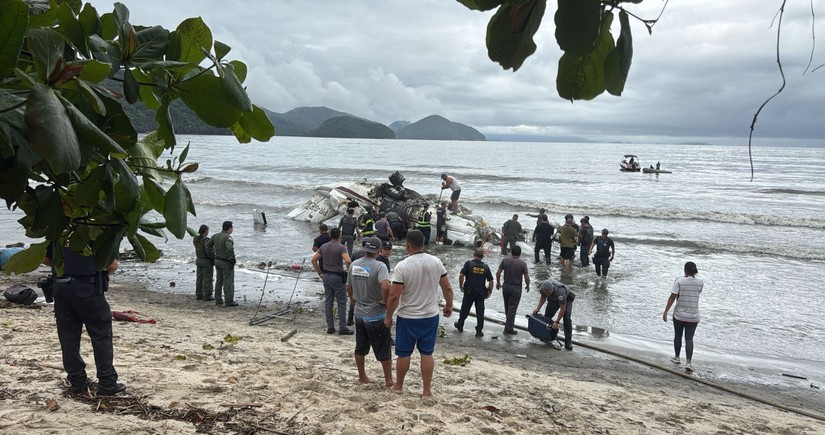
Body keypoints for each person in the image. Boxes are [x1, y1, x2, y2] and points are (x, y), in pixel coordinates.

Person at [44, 244, 125, 396]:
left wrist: (66, 265)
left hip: (60, 287)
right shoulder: (96, 231)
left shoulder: (59, 231)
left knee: (68, 337)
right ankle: (107, 382)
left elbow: (45, 258)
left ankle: (77, 381)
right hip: (87, 287)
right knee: (101, 335)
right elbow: (111, 266)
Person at [384, 230, 454, 397]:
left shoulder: (403, 266)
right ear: (423, 243)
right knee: (427, 353)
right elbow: (447, 287)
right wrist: (449, 305)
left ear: (407, 245)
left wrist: (388, 316)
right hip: (430, 316)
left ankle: (399, 385)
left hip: (408, 316)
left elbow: (394, 296)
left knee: (403, 353)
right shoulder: (436, 262)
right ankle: (426, 391)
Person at [346, 236, 394, 387]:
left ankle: (362, 376)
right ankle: (388, 380)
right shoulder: (380, 266)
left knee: (360, 347)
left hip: (359, 312)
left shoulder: (354, 264)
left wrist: (354, 302)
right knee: (383, 349)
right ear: (379, 250)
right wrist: (384, 302)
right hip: (375, 314)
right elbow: (386, 286)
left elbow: (349, 287)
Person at [663, 261, 704, 372]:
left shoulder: (679, 281)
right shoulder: (700, 282)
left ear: (685, 270)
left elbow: (672, 296)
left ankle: (677, 357)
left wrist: (666, 311)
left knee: (678, 335)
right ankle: (689, 362)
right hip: (694, 316)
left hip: (679, 314)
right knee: (689, 339)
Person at [313, 227, 353, 335]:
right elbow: (348, 260)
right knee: (341, 302)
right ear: (339, 236)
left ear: (331, 236)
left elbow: (314, 259)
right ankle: (342, 327)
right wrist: (348, 272)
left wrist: (319, 273)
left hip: (326, 275)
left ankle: (330, 326)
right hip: (338, 276)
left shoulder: (324, 246)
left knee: (328, 301)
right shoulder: (342, 247)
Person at [454, 248, 494, 337]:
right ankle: (479, 331)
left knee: (465, 309)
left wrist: (460, 286)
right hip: (480, 293)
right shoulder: (486, 267)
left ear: (474, 254)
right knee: (480, 311)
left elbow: (461, 275)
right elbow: (491, 280)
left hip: (469, 291)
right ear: (482, 257)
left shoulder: (469, 264)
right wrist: (490, 291)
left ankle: (460, 325)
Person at [496, 245, 530, 335]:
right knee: (512, 309)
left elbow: (498, 272)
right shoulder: (522, 264)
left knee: (507, 307)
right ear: (520, 253)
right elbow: (526, 277)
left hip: (506, 286)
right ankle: (508, 328)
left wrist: (498, 283)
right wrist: (528, 285)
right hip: (516, 288)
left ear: (511, 252)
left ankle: (508, 325)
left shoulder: (505, 261)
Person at [533, 279, 575, 350]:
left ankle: (568, 343)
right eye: (546, 293)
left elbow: (562, 309)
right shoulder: (543, 289)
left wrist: (557, 321)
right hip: (553, 299)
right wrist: (537, 308)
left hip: (566, 299)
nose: (547, 295)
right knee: (547, 317)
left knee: (567, 319)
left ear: (552, 289)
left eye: (548, 293)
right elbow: (543, 298)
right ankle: (546, 337)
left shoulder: (560, 292)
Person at [212, 221, 237, 307]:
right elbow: (229, 248)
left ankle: (218, 300)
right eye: (232, 227)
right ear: (229, 228)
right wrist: (232, 258)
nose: (232, 229)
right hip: (225, 261)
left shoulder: (215, 236)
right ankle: (229, 300)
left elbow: (208, 245)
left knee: (219, 280)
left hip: (217, 260)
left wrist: (213, 254)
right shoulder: (227, 238)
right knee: (228, 281)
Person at [193, 224, 215, 301]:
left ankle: (199, 294)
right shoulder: (206, 240)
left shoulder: (195, 239)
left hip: (198, 259)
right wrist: (213, 257)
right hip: (206, 261)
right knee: (207, 278)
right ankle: (207, 295)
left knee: (199, 278)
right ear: (205, 231)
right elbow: (208, 251)